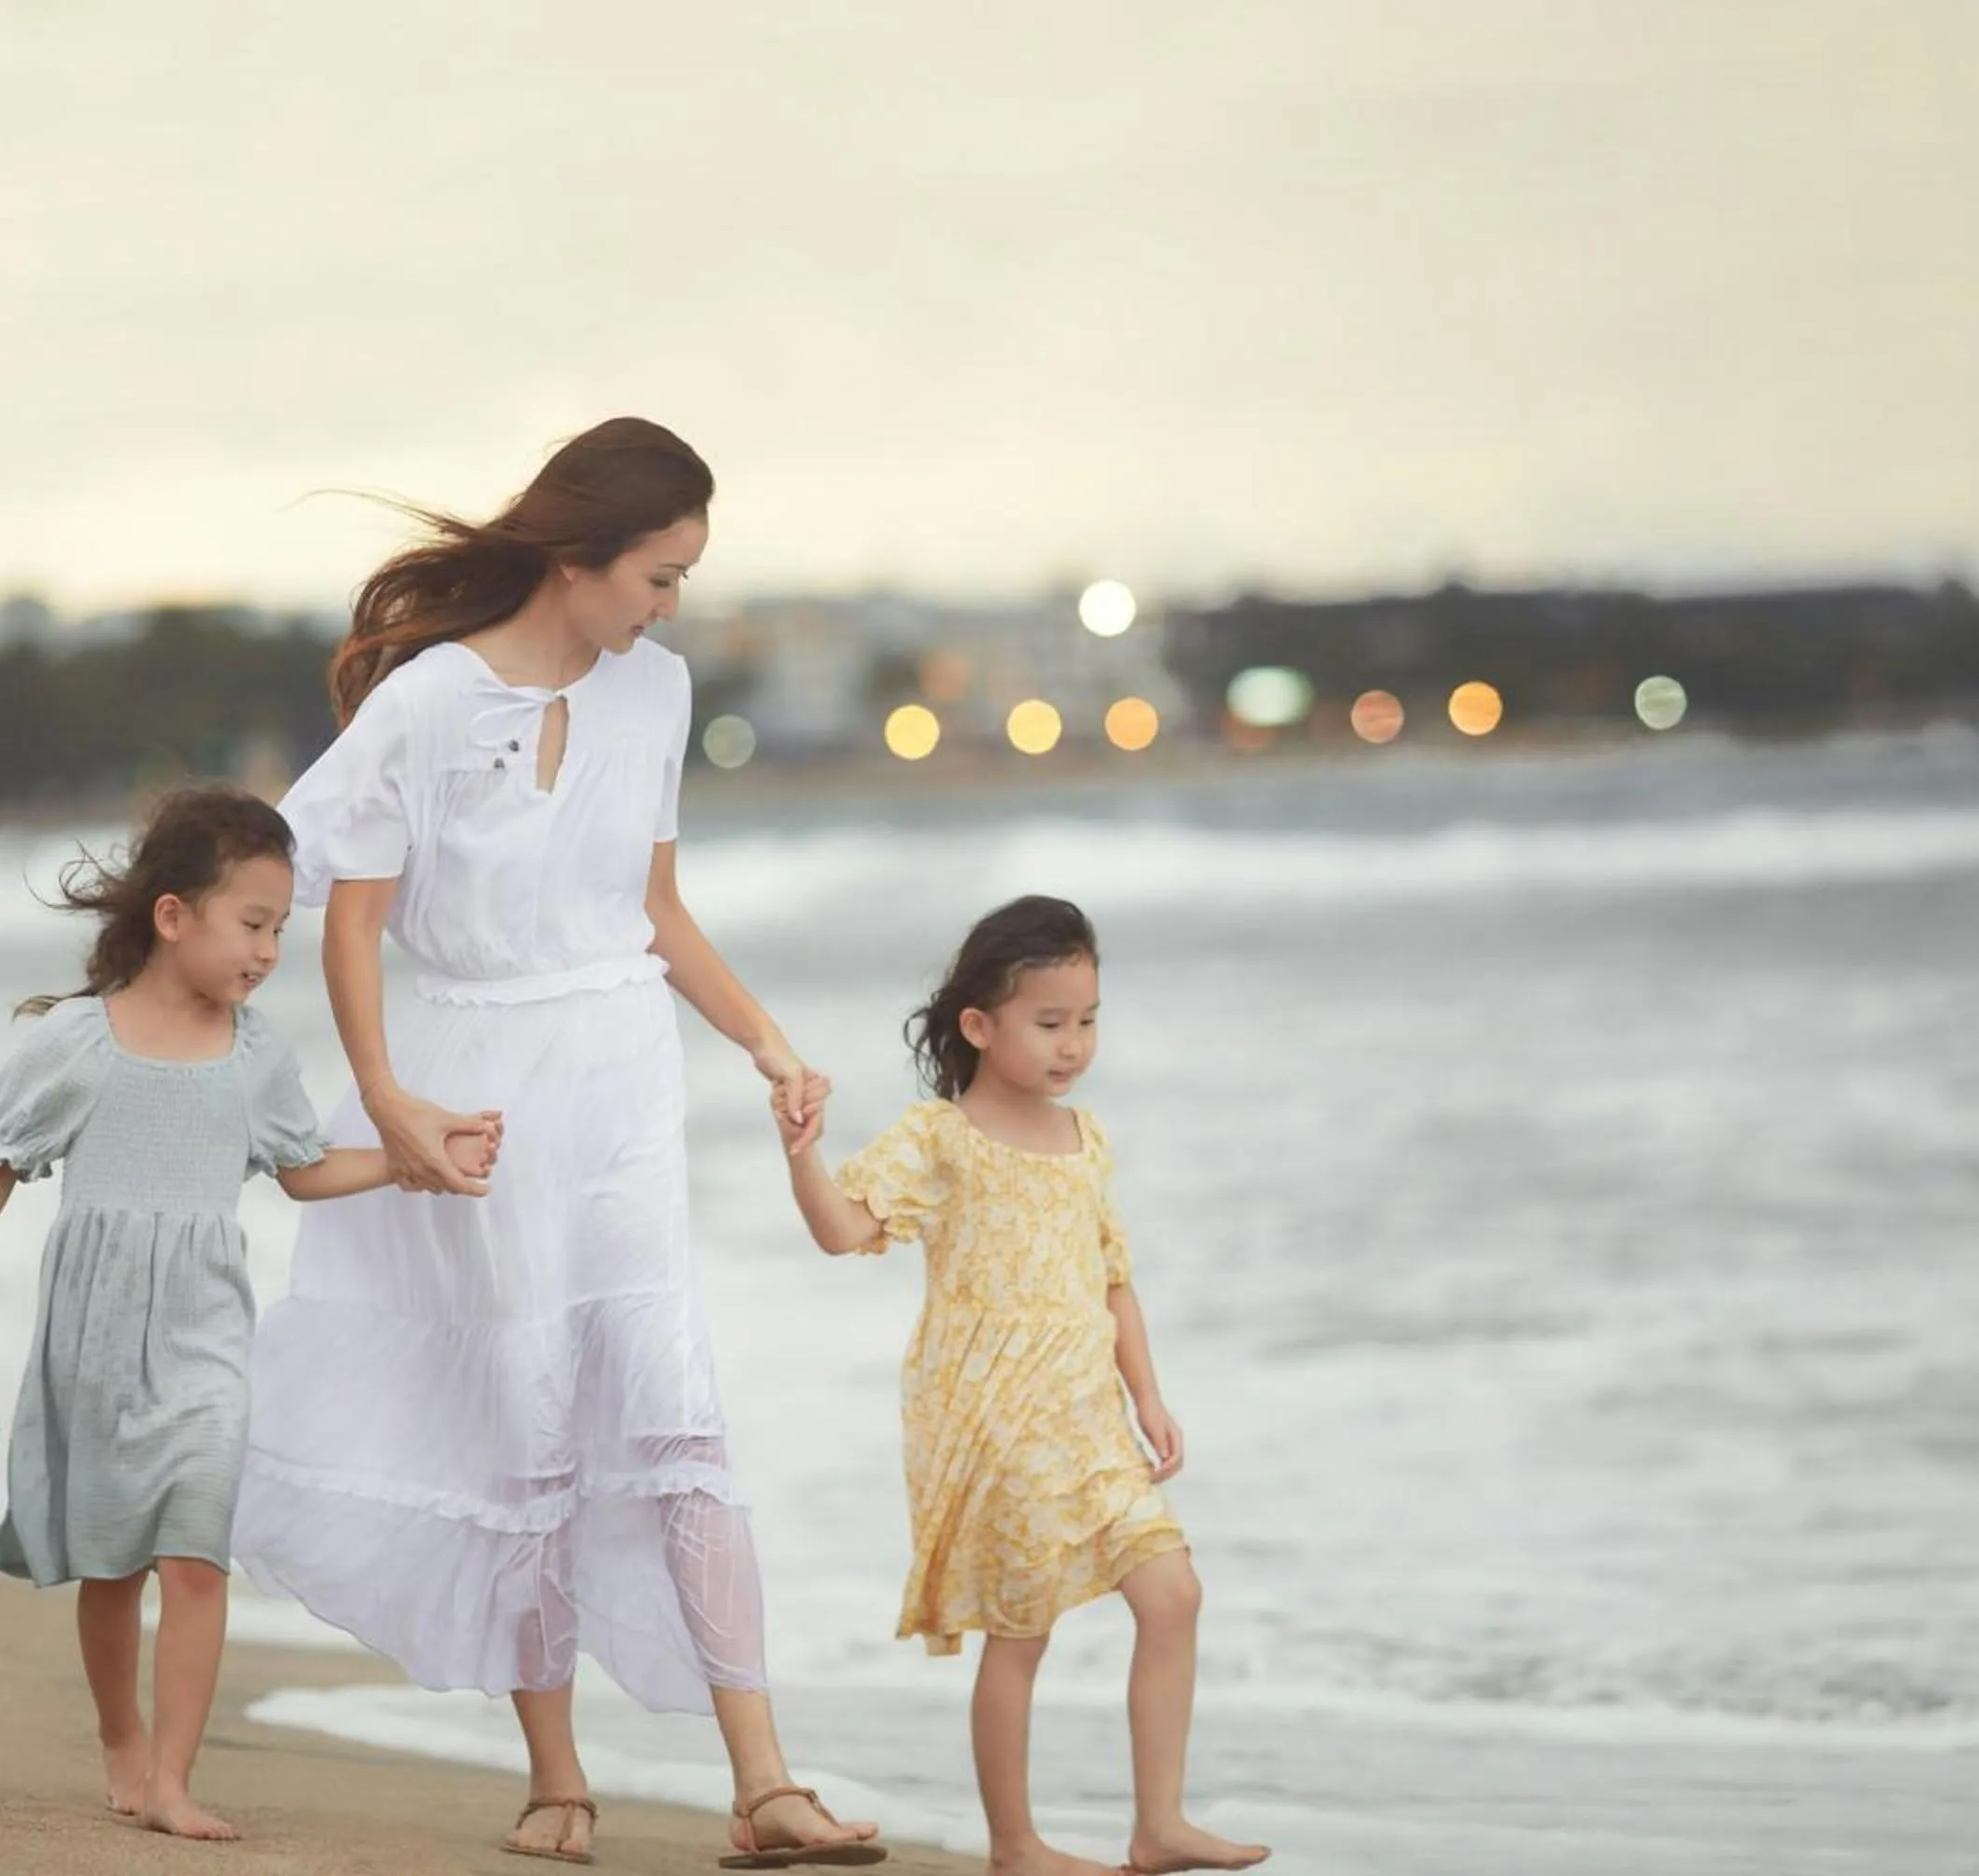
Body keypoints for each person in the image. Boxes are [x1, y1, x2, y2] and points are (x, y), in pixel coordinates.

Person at [233, 417, 883, 1868]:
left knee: (674, 1410)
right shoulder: (429, 703)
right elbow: (349, 920)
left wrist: (767, 1042)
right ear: (576, 556)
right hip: (479, 1088)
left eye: (683, 582)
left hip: (621, 1082)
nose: (669, 606)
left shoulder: (658, 694)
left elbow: (656, 907)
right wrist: (389, 1098)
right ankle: (556, 1784)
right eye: (657, 575)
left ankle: (766, 1783)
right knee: (521, 1418)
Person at [0, 786, 500, 1842]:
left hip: (208, 1336)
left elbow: (303, 1169)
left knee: (194, 1553)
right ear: (173, 915)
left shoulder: (258, 1052)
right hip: (93, 1336)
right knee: (113, 1562)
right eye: (254, 924)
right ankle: (120, 1737)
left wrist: (419, 1159)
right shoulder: (76, 1042)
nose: (270, 951)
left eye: (282, 928)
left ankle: (173, 1778)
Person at [775, 896, 1270, 1876]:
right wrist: (802, 1152)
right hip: (993, 1419)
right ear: (980, 1025)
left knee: (1173, 1592)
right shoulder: (940, 1137)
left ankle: (1157, 1823)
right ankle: (1016, 1844)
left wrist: (1150, 1398)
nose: (1073, 1043)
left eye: (1087, 1019)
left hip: (1087, 1414)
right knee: (1022, 1628)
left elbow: (1113, 1278)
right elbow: (844, 1229)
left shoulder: (1086, 1137)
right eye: (1049, 1022)